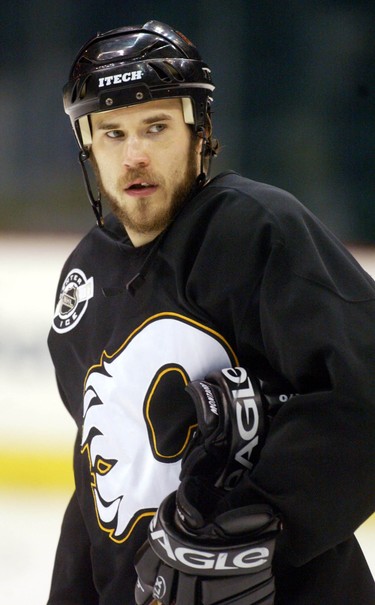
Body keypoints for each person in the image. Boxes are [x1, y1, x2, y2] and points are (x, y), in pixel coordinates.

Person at [47, 20, 375, 605]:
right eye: (114, 134)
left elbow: (363, 392)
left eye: (156, 127)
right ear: (89, 148)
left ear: (199, 132)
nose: (136, 154)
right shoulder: (84, 279)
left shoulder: (255, 230)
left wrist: (246, 531)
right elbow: (97, 484)